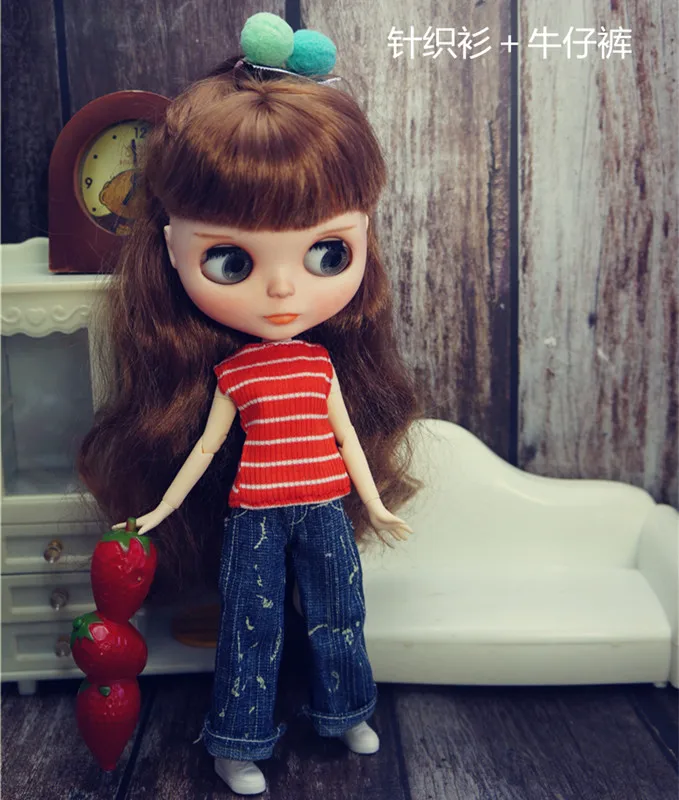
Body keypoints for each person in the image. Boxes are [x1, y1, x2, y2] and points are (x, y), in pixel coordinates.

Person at [77, 13, 420, 796]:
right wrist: (161, 510)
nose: (283, 289)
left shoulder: (321, 365)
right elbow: (205, 448)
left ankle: (346, 711)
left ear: (363, 236)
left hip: (324, 507)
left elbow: (347, 440)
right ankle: (236, 741)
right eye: (230, 259)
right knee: (249, 626)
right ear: (173, 248)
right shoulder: (235, 374)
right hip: (255, 516)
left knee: (340, 612)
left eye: (327, 252)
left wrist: (373, 502)